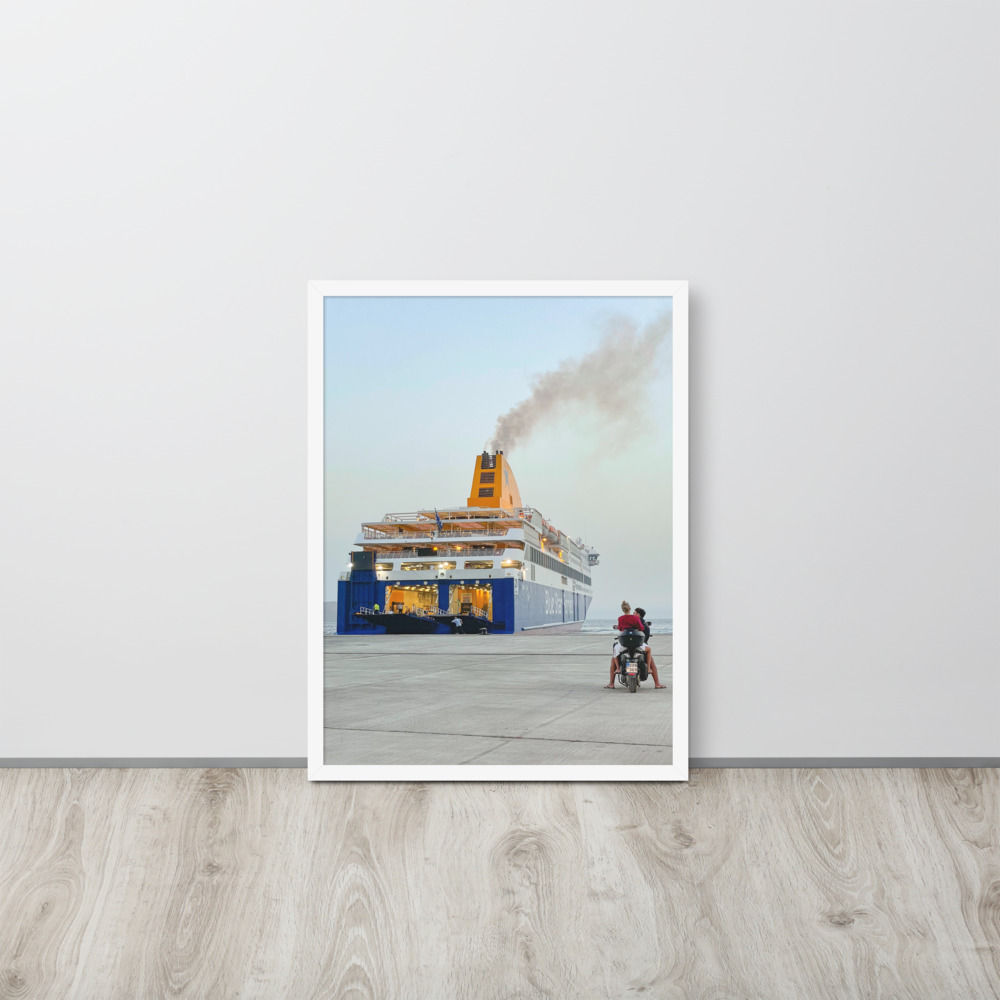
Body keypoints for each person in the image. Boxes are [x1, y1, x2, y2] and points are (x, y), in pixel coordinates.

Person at [606, 600, 665, 689]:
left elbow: (621, 629)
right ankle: (654, 678)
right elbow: (641, 628)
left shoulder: (620, 618)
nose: (634, 613)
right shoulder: (637, 619)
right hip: (637, 644)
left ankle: (612, 681)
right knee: (649, 653)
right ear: (629, 609)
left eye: (635, 612)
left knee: (614, 655)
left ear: (623, 609)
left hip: (624, 644)